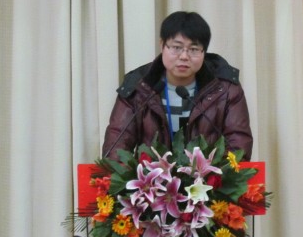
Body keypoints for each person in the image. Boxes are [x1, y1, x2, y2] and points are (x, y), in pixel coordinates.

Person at [102, 11, 253, 161]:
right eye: (176, 47)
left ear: (204, 52)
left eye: (194, 49)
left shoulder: (226, 89)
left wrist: (213, 173)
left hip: (208, 175)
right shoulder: (138, 86)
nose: (184, 56)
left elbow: (238, 146)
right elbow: (116, 147)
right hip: (151, 175)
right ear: (162, 45)